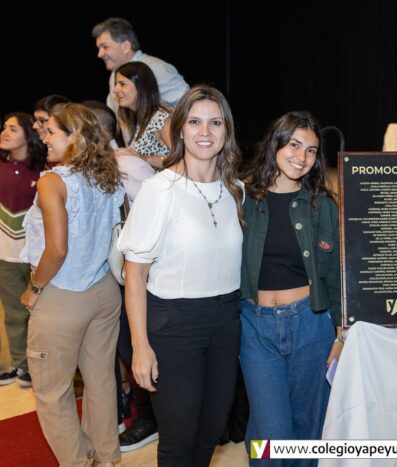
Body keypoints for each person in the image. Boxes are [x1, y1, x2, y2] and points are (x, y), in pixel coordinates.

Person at [118, 85, 244, 466]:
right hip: (174, 326)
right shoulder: (160, 190)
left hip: (226, 323)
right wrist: (140, 347)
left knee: (210, 432)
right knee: (179, 440)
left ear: (226, 130)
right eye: (194, 122)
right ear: (180, 130)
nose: (204, 131)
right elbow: (135, 275)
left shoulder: (235, 189)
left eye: (215, 122)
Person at [19, 103, 125, 467]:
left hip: (61, 296)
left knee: (52, 391)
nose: (44, 138)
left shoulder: (53, 181)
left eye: (51, 132)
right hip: (103, 291)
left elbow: (57, 249)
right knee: (101, 380)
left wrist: (33, 289)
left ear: (74, 138)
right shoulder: (108, 177)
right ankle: (106, 459)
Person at [239, 111, 343, 466]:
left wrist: (341, 334)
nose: (302, 156)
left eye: (311, 150)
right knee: (271, 433)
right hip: (255, 327)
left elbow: (335, 274)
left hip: (311, 325)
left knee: (309, 431)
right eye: (294, 145)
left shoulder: (322, 205)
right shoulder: (242, 199)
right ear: (275, 144)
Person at [82, 99, 159, 450]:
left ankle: (152, 420)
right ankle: (145, 414)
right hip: (112, 275)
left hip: (140, 275)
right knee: (126, 348)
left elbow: (154, 216)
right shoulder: (94, 165)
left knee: (140, 346)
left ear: (96, 130)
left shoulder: (126, 164)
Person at [0, 112, 46, 387]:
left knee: (40, 313)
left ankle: (41, 365)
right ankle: (19, 365)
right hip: (4, 255)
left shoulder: (45, 170)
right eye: (4, 127)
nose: (4, 132)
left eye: (13, 129)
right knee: (14, 313)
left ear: (29, 135)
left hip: (36, 257)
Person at [92, 17, 189, 114]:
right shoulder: (114, 74)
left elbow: (188, 104)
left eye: (105, 47)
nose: (99, 54)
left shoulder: (156, 68)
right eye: (99, 48)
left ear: (126, 46)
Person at [112, 61, 171, 170]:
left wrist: (143, 158)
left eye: (122, 84)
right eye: (116, 84)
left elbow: (180, 158)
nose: (115, 89)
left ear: (141, 87)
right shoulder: (140, 120)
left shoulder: (160, 118)